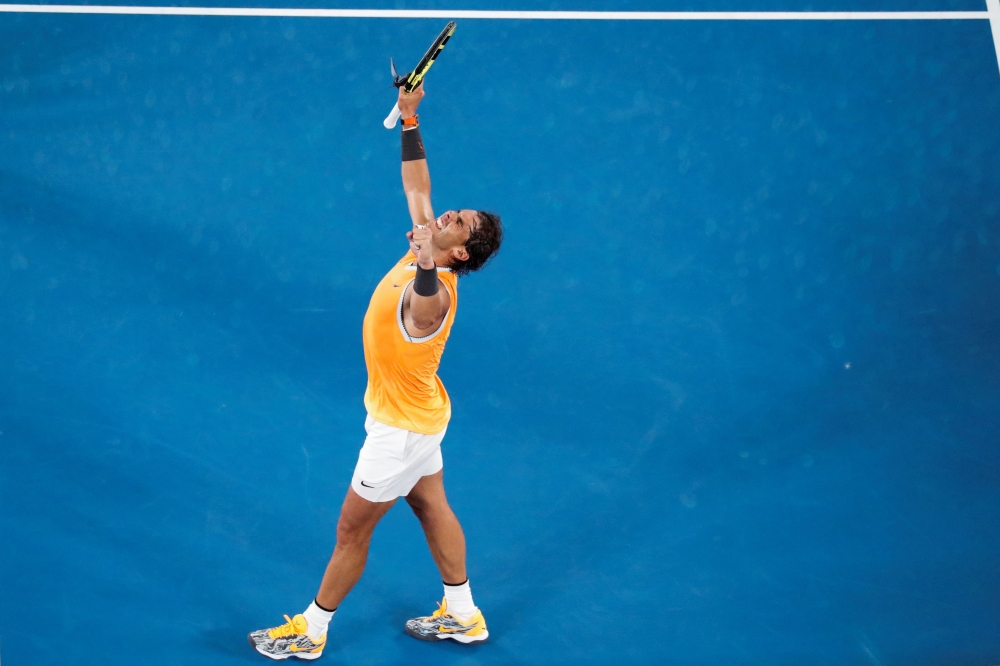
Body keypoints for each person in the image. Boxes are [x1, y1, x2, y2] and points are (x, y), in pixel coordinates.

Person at [247, 81, 503, 660]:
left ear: (459, 252)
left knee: (351, 531)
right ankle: (464, 615)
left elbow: (424, 294)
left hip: (399, 431)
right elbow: (418, 185)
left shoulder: (434, 291)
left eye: (455, 222)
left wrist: (422, 260)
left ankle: (311, 631)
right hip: (424, 413)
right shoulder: (431, 241)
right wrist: (410, 120)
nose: (444, 216)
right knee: (430, 503)